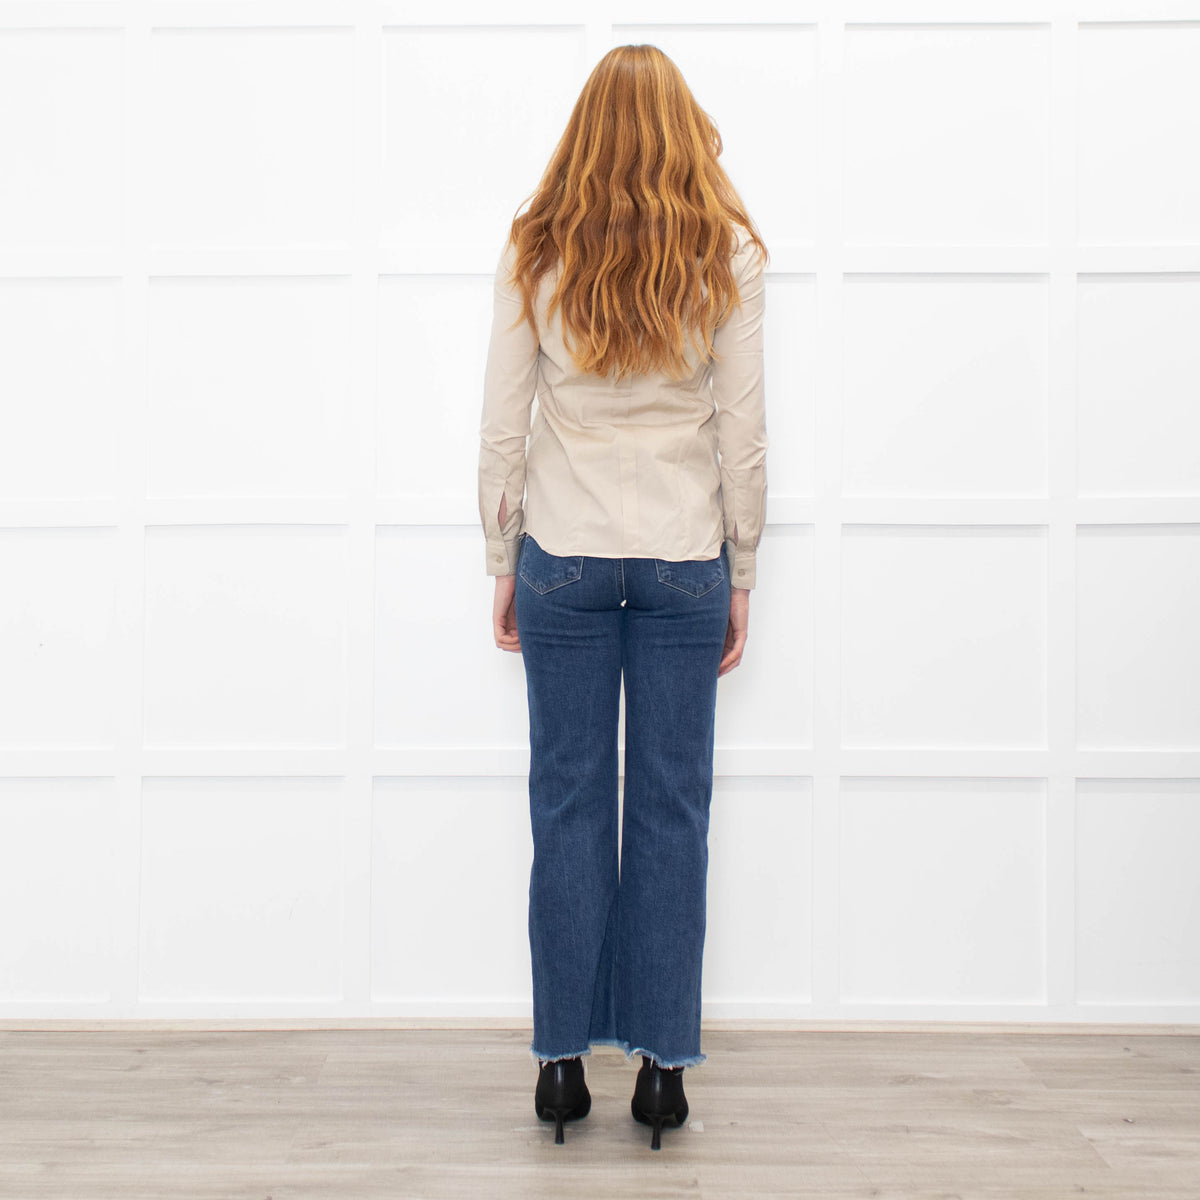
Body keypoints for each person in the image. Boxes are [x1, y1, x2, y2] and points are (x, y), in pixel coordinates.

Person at [477, 43, 768, 1151]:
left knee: (566, 806)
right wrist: (743, 570)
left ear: (584, 132)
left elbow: (506, 424)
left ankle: (559, 1067)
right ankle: (660, 1073)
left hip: (565, 553)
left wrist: (502, 559)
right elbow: (743, 435)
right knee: (670, 811)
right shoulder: (727, 253)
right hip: (684, 557)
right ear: (685, 132)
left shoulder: (535, 248)